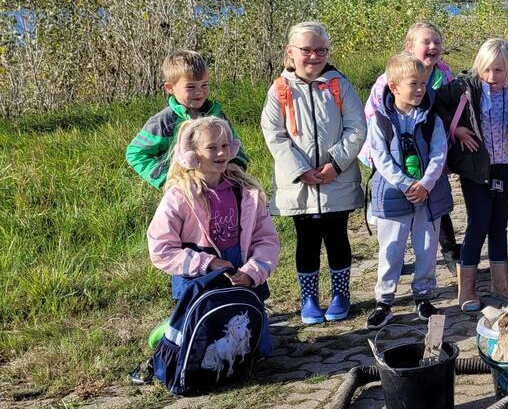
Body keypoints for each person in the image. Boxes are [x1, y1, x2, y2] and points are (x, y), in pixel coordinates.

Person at [260, 21, 366, 324]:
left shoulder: (338, 85)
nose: (314, 56)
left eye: (321, 50)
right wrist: (301, 169)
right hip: (299, 185)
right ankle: (309, 299)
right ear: (290, 52)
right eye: (306, 50)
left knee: (337, 238)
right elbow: (274, 135)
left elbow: (357, 127)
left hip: (338, 180)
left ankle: (340, 294)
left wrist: (336, 163)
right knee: (306, 241)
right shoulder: (279, 90)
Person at [358, 21, 459, 266]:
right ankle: (395, 256)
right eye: (427, 42)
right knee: (396, 203)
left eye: (437, 42)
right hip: (392, 148)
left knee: (432, 195)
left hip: (428, 143)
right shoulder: (392, 77)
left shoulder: (443, 73)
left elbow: (449, 109)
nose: (433, 46)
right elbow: (376, 115)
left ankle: (448, 248)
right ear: (410, 47)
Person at [147, 116, 279, 299]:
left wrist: (252, 272)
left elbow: (266, 240)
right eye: (212, 147)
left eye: (225, 146)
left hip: (243, 286)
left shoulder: (246, 194)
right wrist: (208, 263)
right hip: (198, 289)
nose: (221, 153)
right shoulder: (179, 198)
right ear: (191, 155)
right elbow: (161, 249)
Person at [366, 52, 452, 328]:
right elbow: (380, 157)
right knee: (391, 250)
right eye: (413, 84)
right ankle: (385, 301)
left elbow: (439, 153)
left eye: (423, 84)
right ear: (394, 87)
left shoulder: (431, 119)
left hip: (427, 196)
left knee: (426, 247)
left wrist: (425, 184)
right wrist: (405, 184)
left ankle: (424, 296)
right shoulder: (380, 120)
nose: (419, 90)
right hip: (393, 195)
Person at [446, 39, 508, 313]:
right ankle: (467, 287)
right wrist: (457, 131)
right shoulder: (465, 87)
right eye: (487, 70)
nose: (492, 77)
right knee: (478, 223)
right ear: (479, 66)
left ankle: (501, 284)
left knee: (499, 224)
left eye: (499, 71)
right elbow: (438, 108)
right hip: (476, 168)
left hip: (505, 164)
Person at [127, 50, 248, 189]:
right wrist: (168, 180)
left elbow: (235, 146)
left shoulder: (217, 116)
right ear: (170, 88)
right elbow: (135, 153)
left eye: (205, 85)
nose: (199, 92)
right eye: (191, 87)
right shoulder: (164, 122)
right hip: (186, 192)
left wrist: (235, 174)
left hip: (222, 186)